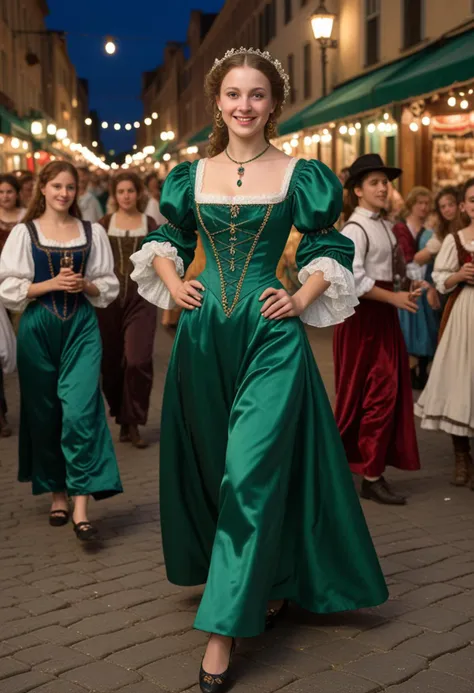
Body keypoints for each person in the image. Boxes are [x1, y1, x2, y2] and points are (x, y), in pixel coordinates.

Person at [130, 48, 387, 693]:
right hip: (203, 337)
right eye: (235, 94)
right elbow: (169, 241)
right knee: (221, 469)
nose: (245, 105)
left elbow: (331, 245)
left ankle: (222, 634)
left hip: (272, 336)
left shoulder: (303, 175)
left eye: (258, 95)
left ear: (274, 104)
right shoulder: (189, 178)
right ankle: (266, 579)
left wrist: (299, 298)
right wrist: (173, 282)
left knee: (249, 473)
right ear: (218, 102)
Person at [0, 161, 122, 541]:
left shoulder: (92, 231)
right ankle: (57, 493)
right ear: (43, 188)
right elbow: (7, 286)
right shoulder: (25, 232)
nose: (64, 193)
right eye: (56, 186)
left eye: (70, 187)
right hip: (38, 329)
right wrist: (50, 282)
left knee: (81, 411)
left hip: (82, 327)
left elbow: (108, 285)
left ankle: (81, 505)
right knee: (45, 412)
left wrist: (85, 284)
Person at [334, 154, 421, 506]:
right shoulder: (355, 229)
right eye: (374, 182)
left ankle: (362, 468)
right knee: (374, 395)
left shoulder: (384, 224)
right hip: (362, 322)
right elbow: (354, 280)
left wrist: (412, 286)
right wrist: (393, 297)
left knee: (381, 394)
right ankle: (369, 475)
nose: (383, 187)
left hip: (381, 317)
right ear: (358, 191)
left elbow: (392, 267)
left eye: (385, 181)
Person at [415, 178, 474, 487]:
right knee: (460, 381)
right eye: (472, 200)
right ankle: (462, 456)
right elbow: (439, 278)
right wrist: (458, 274)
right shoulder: (455, 239)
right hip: (464, 313)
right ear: (464, 206)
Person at [97, 172, 158, 449]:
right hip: (108, 301)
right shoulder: (103, 224)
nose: (125, 196)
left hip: (141, 299)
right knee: (110, 362)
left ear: (138, 193)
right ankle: (121, 415)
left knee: (137, 360)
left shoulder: (150, 223)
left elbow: (162, 259)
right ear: (114, 194)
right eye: (120, 191)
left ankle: (133, 421)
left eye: (130, 191)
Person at [392, 187, 439, 389]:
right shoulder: (400, 228)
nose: (423, 207)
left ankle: (423, 368)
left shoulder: (431, 231)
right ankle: (409, 370)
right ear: (411, 204)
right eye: (420, 202)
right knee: (408, 329)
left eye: (427, 203)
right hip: (405, 285)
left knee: (427, 328)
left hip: (426, 283)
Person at [0, 174, 26, 251]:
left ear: (17, 194)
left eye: (9, 192)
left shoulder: (26, 215)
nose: (5, 196)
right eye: (1, 192)